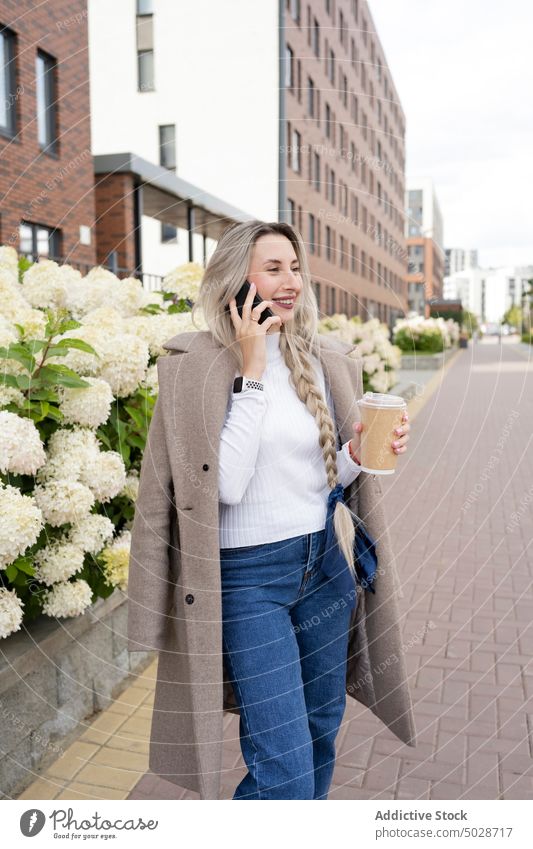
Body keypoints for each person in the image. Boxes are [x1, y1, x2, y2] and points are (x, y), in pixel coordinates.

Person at [186, 220, 410, 799]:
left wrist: (357, 453)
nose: (291, 281)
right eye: (273, 268)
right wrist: (253, 371)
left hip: (325, 565)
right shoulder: (201, 366)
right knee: (282, 766)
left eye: (295, 266)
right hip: (249, 580)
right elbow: (225, 486)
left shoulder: (318, 358)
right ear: (238, 279)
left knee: (318, 735)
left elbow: (320, 474)